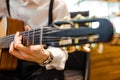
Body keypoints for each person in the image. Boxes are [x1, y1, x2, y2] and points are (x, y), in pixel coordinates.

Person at [0, 0, 70, 80]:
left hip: (42, 65)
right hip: (9, 60)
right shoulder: (3, 2)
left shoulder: (57, 4)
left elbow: (63, 50)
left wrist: (45, 56)